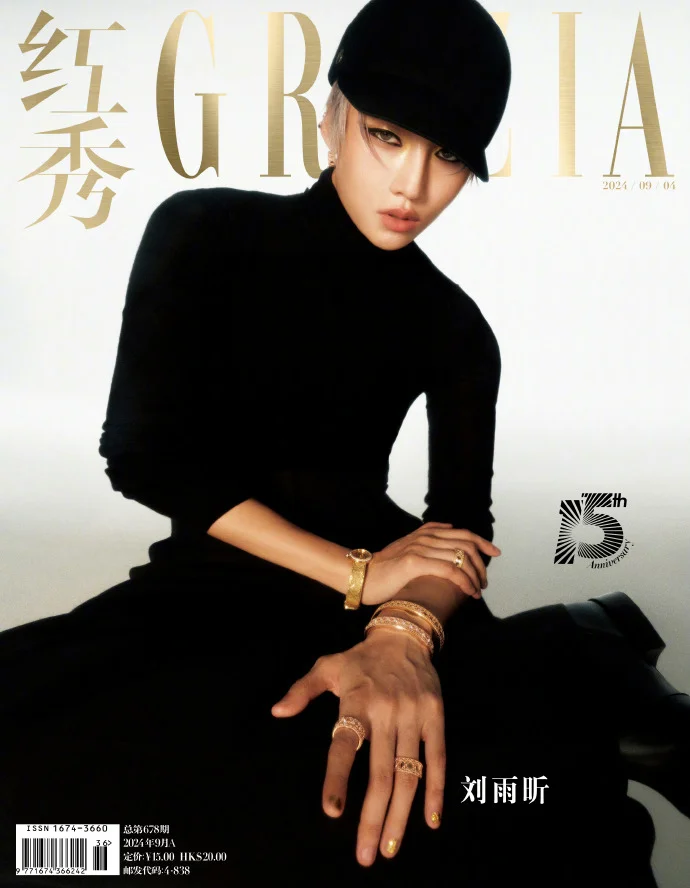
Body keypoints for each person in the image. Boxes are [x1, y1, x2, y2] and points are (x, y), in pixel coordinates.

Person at [0, 1, 686, 885]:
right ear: (330, 117)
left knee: (439, 825)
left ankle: (583, 665)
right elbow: (144, 455)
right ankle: (583, 653)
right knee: (63, 813)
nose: (414, 186)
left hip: (391, 609)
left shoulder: (457, 328)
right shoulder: (204, 229)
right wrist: (361, 575)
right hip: (215, 588)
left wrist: (402, 631)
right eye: (387, 136)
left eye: (449, 156)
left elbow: (459, 529)